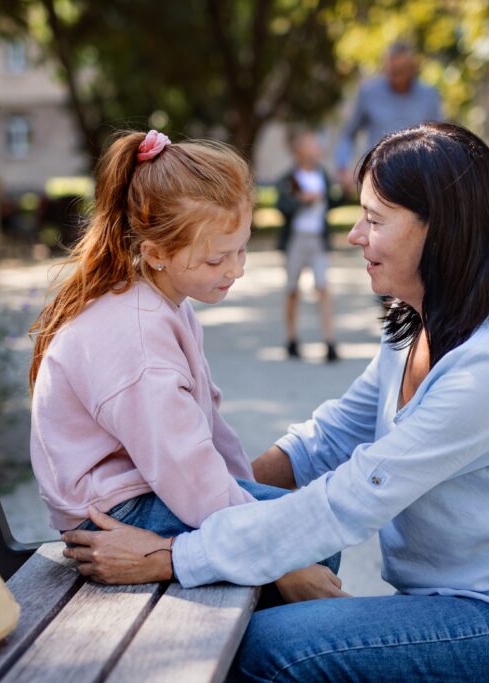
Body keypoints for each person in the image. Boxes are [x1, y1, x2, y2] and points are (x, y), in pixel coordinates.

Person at [61, 122, 489, 683]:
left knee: (264, 647)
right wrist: (219, 500)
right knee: (261, 586)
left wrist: (168, 557)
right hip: (456, 605)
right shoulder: (422, 323)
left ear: (440, 231)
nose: (353, 235)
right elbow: (330, 438)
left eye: (374, 220)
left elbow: (352, 499)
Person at [29, 129, 340, 603]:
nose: (236, 270)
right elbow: (186, 469)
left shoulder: (165, 302)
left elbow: (209, 430)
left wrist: (249, 494)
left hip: (146, 491)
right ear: (155, 254)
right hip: (117, 516)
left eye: (242, 248)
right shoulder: (137, 336)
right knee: (310, 545)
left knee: (308, 534)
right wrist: (275, 556)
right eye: (217, 258)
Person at [335, 41, 443, 196]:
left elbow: (439, 137)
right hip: (378, 177)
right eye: (391, 71)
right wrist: (343, 167)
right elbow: (348, 134)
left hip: (418, 179)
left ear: (412, 69)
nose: (395, 76)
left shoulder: (429, 95)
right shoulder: (368, 93)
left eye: (400, 71)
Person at [275, 130, 342, 362]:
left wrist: (343, 191)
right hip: (296, 240)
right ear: (299, 150)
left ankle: (329, 341)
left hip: (318, 239)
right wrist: (302, 200)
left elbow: (331, 202)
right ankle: (292, 339)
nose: (316, 146)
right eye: (310, 143)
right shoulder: (289, 178)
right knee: (293, 290)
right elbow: (282, 206)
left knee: (323, 287)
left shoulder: (322, 174)